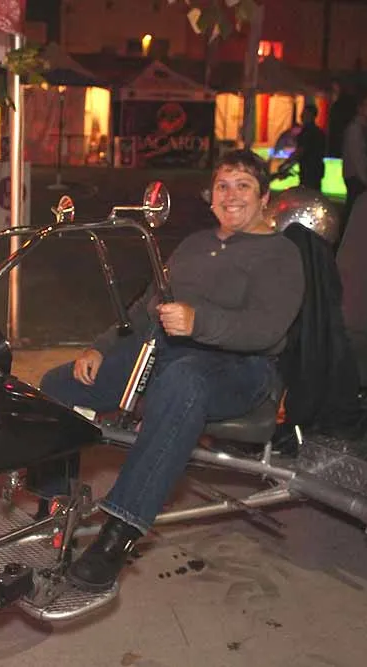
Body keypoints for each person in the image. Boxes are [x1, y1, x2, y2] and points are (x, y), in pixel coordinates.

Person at [32, 150, 305, 592]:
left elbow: (266, 330)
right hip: (167, 351)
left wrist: (199, 322)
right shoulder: (194, 245)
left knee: (183, 381)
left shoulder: (281, 254)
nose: (231, 195)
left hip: (243, 367)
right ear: (210, 197)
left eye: (243, 186)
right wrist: (101, 346)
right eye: (222, 186)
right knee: (58, 384)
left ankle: (117, 534)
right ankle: (54, 503)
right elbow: (146, 308)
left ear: (264, 198)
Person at [341, 93, 367, 219]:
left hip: (363, 174)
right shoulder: (355, 129)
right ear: (360, 108)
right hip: (355, 176)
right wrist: (366, 179)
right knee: (354, 207)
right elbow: (357, 157)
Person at [279, 105, 327, 191]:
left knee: (307, 192)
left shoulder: (307, 132)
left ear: (311, 115)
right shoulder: (318, 132)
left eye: (304, 114)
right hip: (316, 169)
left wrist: (287, 164)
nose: (301, 116)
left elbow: (300, 151)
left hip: (308, 170)